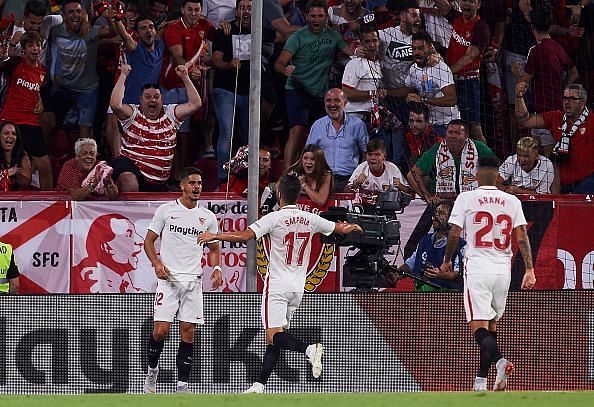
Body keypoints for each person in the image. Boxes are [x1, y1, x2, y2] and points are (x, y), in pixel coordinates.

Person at [197, 174, 362, 393]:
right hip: (298, 286)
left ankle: (309, 348)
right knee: (276, 337)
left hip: (277, 285)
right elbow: (339, 228)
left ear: (279, 194)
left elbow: (244, 235)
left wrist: (214, 235)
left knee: (273, 334)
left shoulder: (274, 218)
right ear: (298, 194)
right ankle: (259, 385)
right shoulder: (311, 218)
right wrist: (355, 226)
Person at [440, 155, 536, 391]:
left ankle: (501, 362)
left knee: (478, 327)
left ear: (477, 174)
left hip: (479, 267)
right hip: (503, 269)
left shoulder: (467, 198)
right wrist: (530, 270)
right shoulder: (511, 201)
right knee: (491, 326)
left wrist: (447, 260)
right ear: (498, 175)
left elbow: (453, 233)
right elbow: (522, 236)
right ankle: (481, 381)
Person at [143, 167, 223, 394]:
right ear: (182, 185)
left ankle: (182, 386)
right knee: (160, 331)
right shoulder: (166, 211)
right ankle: (152, 372)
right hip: (169, 279)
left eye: (199, 183)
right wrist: (157, 264)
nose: (197, 187)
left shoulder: (207, 217)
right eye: (192, 183)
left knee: (188, 331)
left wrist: (216, 268)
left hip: (193, 281)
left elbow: (214, 247)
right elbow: (148, 242)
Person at [274, 0, 352, 169]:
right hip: (297, 89)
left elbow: (351, 53)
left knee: (321, 133)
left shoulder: (334, 36)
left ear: (326, 17)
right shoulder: (298, 37)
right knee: (297, 131)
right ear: (306, 17)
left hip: (320, 92)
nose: (316, 19)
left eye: (320, 16)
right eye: (313, 16)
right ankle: (287, 173)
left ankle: (316, 171)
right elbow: (279, 63)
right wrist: (284, 69)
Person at [109, 63, 202, 192]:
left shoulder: (170, 113)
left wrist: (185, 77)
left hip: (158, 182)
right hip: (132, 170)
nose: (152, 100)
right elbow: (115, 105)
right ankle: (129, 211)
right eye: (147, 97)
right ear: (140, 100)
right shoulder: (133, 113)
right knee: (128, 178)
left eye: (156, 97)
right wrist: (123, 75)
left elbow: (195, 104)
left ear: (162, 100)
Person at [515, 83, 594, 193]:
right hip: (559, 182)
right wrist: (519, 97)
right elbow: (525, 121)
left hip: (586, 182)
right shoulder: (556, 117)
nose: (567, 102)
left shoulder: (592, 122)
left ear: (582, 102)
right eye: (565, 98)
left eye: (572, 99)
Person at [0, 31, 51, 190]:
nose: (35, 49)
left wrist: (42, 102)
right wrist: (9, 47)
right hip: (9, 122)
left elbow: (44, 94)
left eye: (38, 45)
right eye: (30, 45)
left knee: (45, 166)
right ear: (24, 49)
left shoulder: (43, 72)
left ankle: (49, 204)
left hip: (30, 122)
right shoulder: (15, 63)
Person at [407, 119, 495, 205]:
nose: (453, 136)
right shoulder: (437, 149)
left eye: (457, 133)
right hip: (441, 202)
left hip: (474, 201)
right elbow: (412, 175)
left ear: (466, 136)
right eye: (450, 132)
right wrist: (427, 197)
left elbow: (497, 173)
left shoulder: (480, 148)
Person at [386, 201, 466, 292]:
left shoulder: (461, 244)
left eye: (441, 213)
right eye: (435, 212)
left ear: (451, 219)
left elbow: (458, 274)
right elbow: (410, 264)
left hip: (447, 297)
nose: (435, 217)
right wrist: (397, 274)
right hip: (422, 297)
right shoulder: (425, 240)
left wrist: (441, 275)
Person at [305, 88, 368, 192]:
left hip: (350, 181)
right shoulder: (317, 125)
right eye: (328, 100)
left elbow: (366, 154)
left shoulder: (358, 125)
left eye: (337, 100)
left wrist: (359, 177)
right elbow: (308, 155)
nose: (332, 104)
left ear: (345, 103)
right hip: (322, 181)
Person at [446, 0, 490, 141]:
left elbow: (470, 57)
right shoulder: (456, 18)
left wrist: (447, 72)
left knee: (474, 129)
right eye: (464, 0)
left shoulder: (481, 28)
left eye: (472, 1)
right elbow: (442, 5)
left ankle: (491, 163)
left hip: (469, 83)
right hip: (452, 82)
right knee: (455, 128)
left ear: (478, 4)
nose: (467, 4)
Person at [72, 213, 144, 293]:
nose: (141, 241)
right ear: (106, 246)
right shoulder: (88, 278)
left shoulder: (124, 280)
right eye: (129, 235)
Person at [345, 138, 411, 206]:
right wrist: (356, 182)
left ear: (384, 157)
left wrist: (400, 185)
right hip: (365, 210)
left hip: (386, 209)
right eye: (370, 154)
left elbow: (408, 191)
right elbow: (346, 191)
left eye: (377, 155)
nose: (373, 158)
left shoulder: (392, 169)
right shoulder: (362, 168)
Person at [0, 122, 32, 191]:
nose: (10, 136)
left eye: (14, 134)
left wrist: (17, 175)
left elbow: (26, 183)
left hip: (16, 199)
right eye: (6, 133)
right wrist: (6, 173)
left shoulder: (22, 154)